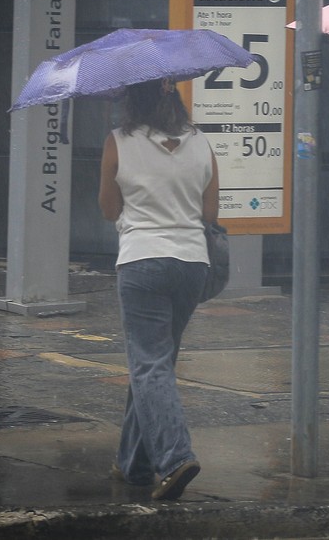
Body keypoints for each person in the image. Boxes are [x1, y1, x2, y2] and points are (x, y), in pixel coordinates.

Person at [98, 78, 219, 501]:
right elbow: (210, 212)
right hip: (191, 263)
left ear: (133, 102)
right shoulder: (201, 142)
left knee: (149, 364)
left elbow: (109, 208)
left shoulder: (118, 142)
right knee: (155, 361)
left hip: (142, 260)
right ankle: (134, 464)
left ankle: (174, 457)